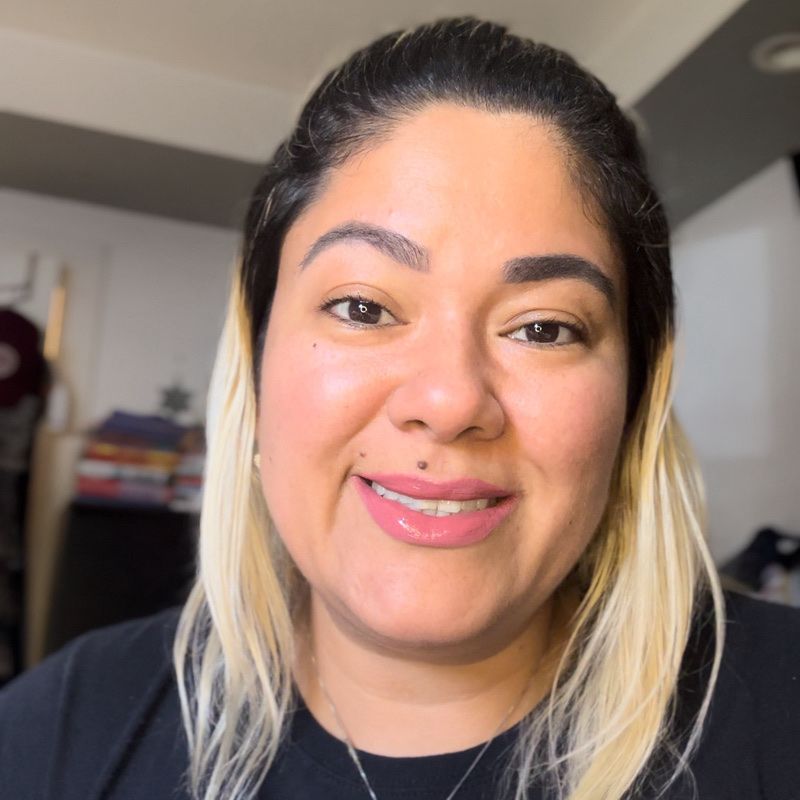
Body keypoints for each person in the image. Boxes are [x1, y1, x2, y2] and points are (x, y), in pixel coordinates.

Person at [1, 16, 799, 800]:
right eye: (363, 308)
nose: (449, 401)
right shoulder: (51, 733)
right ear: (255, 357)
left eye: (544, 327)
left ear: (636, 400)